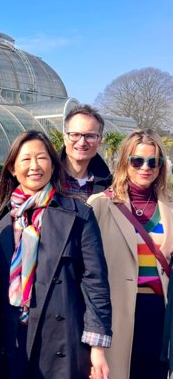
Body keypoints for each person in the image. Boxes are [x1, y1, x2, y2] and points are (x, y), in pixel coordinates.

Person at [0, 130, 112, 379]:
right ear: (13, 168)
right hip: (13, 337)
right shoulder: (2, 222)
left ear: (53, 165)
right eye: (25, 160)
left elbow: (95, 282)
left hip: (62, 339)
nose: (34, 166)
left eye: (42, 158)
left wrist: (97, 348)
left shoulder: (79, 215)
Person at [88, 129, 173, 379]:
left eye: (153, 162)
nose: (145, 168)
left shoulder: (168, 208)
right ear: (125, 162)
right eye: (138, 160)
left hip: (160, 311)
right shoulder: (100, 205)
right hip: (117, 312)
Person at [61, 104, 112, 199]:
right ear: (65, 138)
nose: (82, 143)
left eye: (90, 136)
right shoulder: (47, 179)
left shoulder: (109, 187)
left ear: (99, 141)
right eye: (75, 134)